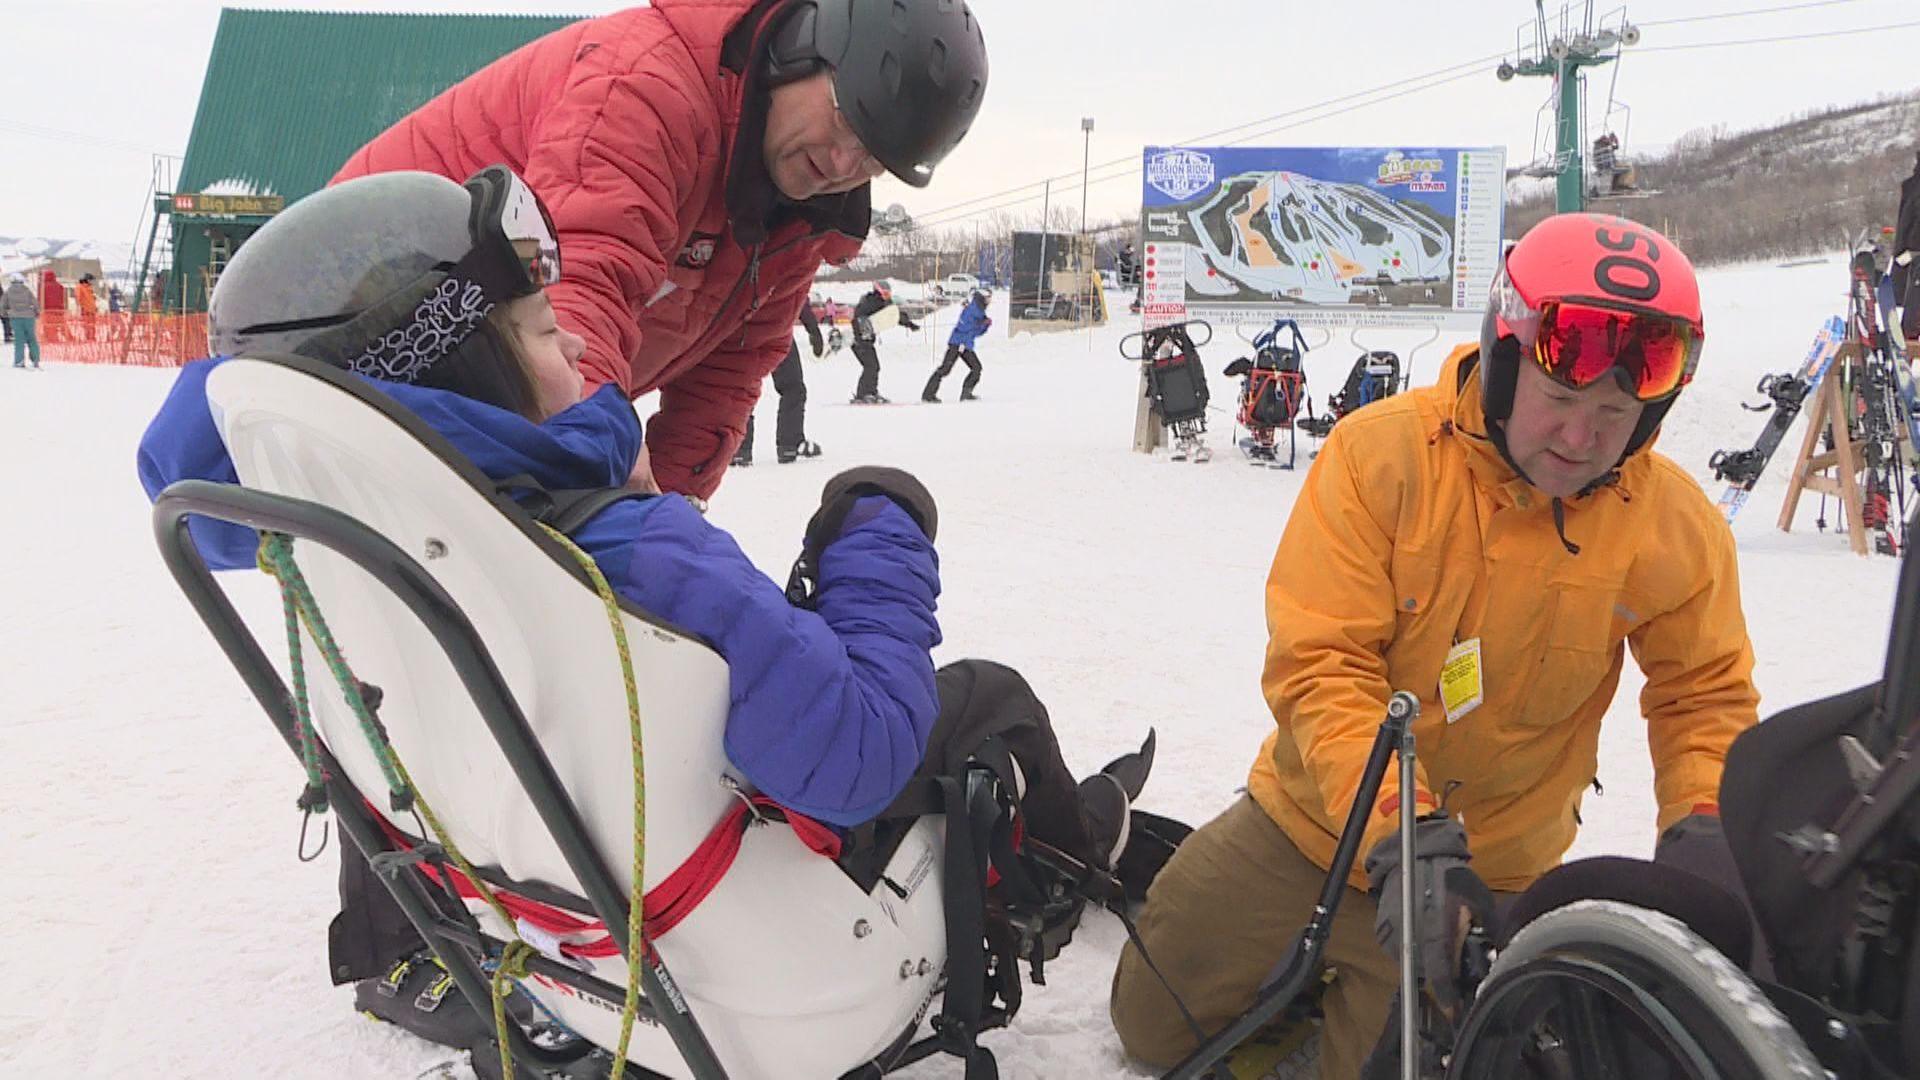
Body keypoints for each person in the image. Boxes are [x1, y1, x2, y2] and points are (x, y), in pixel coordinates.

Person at [136, 167, 1150, 1063]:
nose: (576, 334)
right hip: (761, 987)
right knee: (980, 699)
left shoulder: (325, 540)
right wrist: (880, 532)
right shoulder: (630, 553)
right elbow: (858, 760)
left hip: (552, 949)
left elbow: (201, 436)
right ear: (471, 376)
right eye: (538, 327)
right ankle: (1063, 854)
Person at [1109, 213, 1758, 1079]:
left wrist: (1707, 827)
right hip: (1315, 828)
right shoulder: (1379, 457)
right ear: (1501, 358)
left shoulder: (1674, 524)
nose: (1579, 438)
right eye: (1560, 400)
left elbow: (1702, 696)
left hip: (1485, 877)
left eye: (1614, 414)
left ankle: (1344, 1003)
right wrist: (1404, 834)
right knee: (1148, 1024)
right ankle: (1309, 984)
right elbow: (1321, 665)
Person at [332, 0, 988, 501]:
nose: (843, 162)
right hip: (346, 334)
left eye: (874, 159)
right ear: (805, 49)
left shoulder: (797, 223)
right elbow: (576, 290)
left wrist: (668, 530)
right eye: (847, 118)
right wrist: (609, 469)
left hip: (474, 400)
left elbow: (727, 379)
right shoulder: (649, 88)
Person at [733, 301, 825, 466]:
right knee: (792, 388)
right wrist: (813, 330)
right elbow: (799, 294)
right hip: (778, 331)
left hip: (747, 331)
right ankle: (789, 444)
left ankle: (739, 449)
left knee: (743, 389)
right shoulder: (784, 274)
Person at [849, 278, 919, 403]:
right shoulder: (871, 302)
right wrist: (860, 333)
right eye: (885, 293)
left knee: (873, 367)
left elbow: (895, 315)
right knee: (871, 366)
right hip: (860, 341)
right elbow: (857, 318)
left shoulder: (882, 302)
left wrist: (909, 324)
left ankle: (871, 392)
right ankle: (863, 394)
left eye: (888, 294)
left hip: (866, 341)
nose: (887, 296)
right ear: (878, 291)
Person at [922, 288, 989, 402]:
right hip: (957, 343)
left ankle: (966, 393)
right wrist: (980, 323)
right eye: (988, 298)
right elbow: (963, 327)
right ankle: (928, 395)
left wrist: (984, 326)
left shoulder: (980, 311)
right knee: (945, 369)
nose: (989, 301)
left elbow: (975, 332)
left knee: (976, 368)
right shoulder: (971, 309)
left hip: (966, 345)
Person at [1895, 151, 1920, 341]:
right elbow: (1904, 224)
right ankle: (1903, 365)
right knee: (1912, 322)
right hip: (1915, 256)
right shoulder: (1912, 187)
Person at [3, 271, 40, 368]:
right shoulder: (27, 291)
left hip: (15, 318)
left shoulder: (8, 292)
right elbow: (35, 303)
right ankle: (35, 359)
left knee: (19, 339)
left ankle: (19, 361)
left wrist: (5, 314)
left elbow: (2, 305)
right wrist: (36, 313)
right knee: (32, 338)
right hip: (29, 317)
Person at [74, 273, 98, 342]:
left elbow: (91, 299)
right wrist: (78, 305)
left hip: (92, 310)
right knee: (87, 325)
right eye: (92, 280)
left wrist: (95, 306)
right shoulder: (80, 287)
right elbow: (78, 297)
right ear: (87, 280)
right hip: (85, 309)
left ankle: (92, 337)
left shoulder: (89, 288)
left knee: (92, 325)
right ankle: (88, 337)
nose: (93, 282)